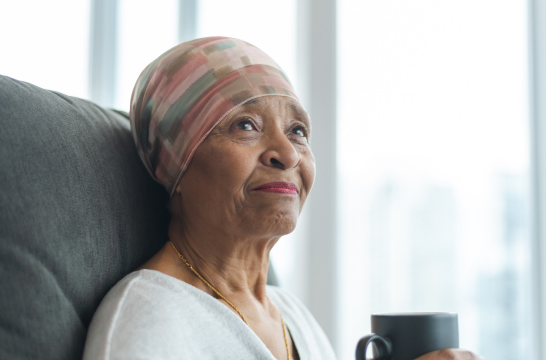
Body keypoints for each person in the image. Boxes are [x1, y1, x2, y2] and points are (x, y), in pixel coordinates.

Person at [83, 36, 483, 360]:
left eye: (297, 131)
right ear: (176, 166)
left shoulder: (291, 314)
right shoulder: (148, 322)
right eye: (246, 124)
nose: (288, 154)